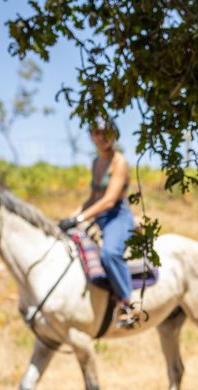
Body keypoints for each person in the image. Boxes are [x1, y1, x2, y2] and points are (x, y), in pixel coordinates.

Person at [59, 118, 137, 328]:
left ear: (115, 134)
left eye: (106, 132)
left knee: (110, 253)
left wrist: (80, 218)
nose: (101, 137)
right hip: (97, 216)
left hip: (116, 216)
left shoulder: (119, 162)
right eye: (96, 132)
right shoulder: (96, 162)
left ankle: (126, 305)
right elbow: (93, 198)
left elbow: (109, 200)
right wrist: (69, 218)